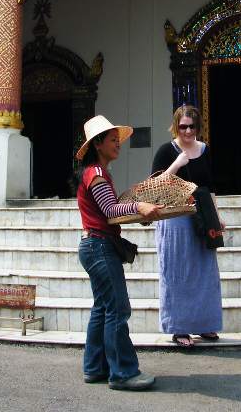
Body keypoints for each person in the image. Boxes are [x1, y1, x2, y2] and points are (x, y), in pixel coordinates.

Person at [76, 115, 163, 391]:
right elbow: (111, 210)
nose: (118, 145)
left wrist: (140, 213)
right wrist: (139, 207)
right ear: (98, 144)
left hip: (95, 245)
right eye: (113, 140)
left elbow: (110, 213)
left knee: (102, 309)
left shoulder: (94, 172)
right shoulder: (97, 174)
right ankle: (123, 373)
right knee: (117, 309)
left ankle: (94, 368)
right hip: (100, 247)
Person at [151, 105, 224, 347]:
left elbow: (211, 186)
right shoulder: (166, 150)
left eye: (192, 126)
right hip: (174, 217)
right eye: (183, 126)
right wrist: (177, 164)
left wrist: (217, 216)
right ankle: (178, 328)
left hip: (202, 214)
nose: (188, 131)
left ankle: (205, 324)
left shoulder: (205, 150)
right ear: (175, 126)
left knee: (205, 270)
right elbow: (155, 185)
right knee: (177, 271)